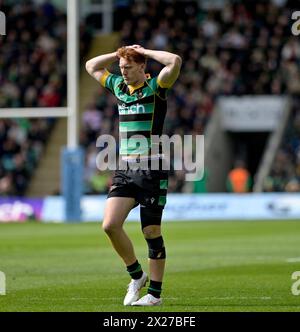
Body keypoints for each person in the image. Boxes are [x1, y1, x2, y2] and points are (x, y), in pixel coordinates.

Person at [86, 45, 182, 306]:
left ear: (142, 67)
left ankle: (155, 296)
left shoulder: (157, 87)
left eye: (129, 67)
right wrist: (118, 55)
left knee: (151, 231)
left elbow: (174, 61)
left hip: (152, 168)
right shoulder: (118, 86)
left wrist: (146, 52)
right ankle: (137, 276)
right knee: (110, 225)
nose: (124, 72)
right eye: (121, 68)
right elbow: (91, 66)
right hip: (126, 169)